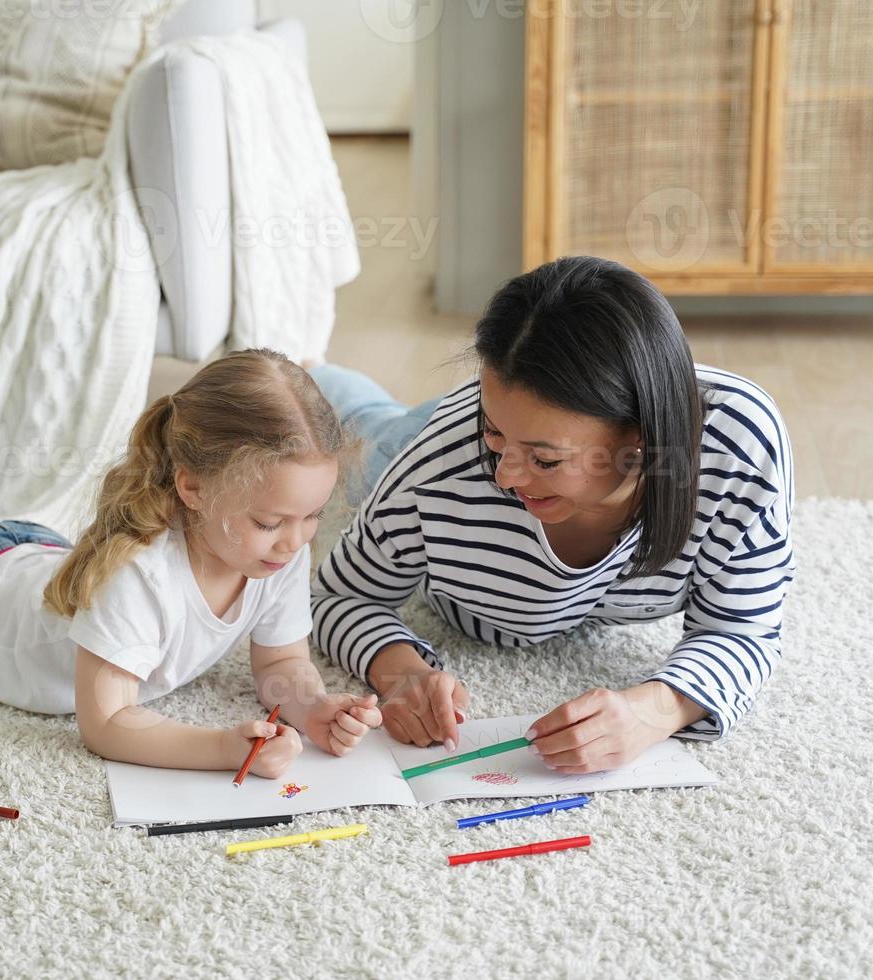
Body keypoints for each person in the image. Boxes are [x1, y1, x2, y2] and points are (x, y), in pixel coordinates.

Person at [0, 310, 381, 778]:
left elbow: (279, 664)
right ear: (191, 488)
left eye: (311, 517)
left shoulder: (274, 550)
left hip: (20, 550)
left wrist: (311, 706)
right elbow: (106, 723)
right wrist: (220, 748)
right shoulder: (139, 575)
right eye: (272, 522)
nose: (294, 542)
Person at [309, 256, 795, 773]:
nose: (505, 477)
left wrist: (654, 711)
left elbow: (743, 629)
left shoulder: (738, 448)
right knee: (361, 430)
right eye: (492, 434)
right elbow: (335, 595)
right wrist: (400, 672)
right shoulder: (434, 470)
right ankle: (310, 370)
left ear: (642, 440)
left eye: (545, 459)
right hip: (416, 438)